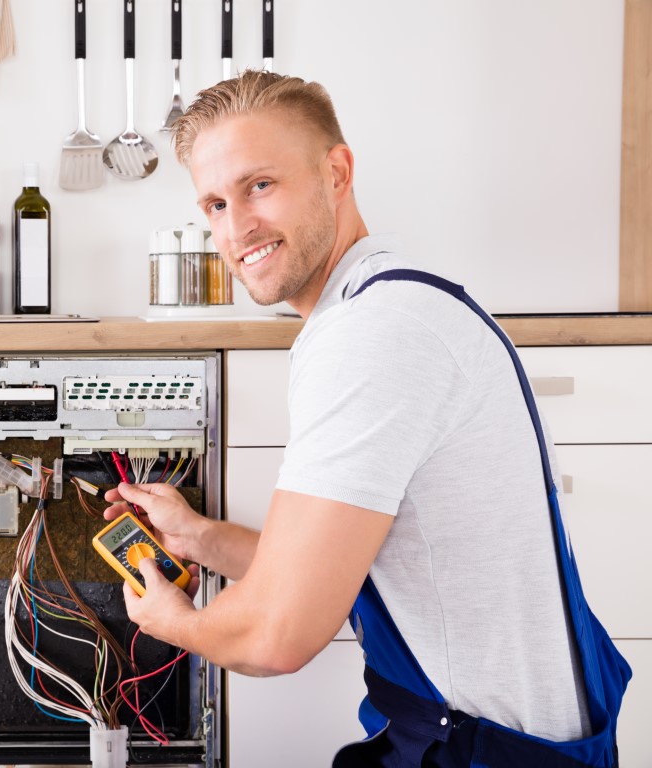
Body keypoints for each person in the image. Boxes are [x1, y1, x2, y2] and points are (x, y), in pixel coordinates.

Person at [104, 70, 629, 767]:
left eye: (260, 185)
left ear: (337, 172)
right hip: (482, 735)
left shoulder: (373, 334)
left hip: (486, 750)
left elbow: (274, 632)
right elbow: (331, 566)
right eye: (215, 203)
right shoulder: (394, 301)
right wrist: (199, 539)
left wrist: (175, 622)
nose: (238, 227)